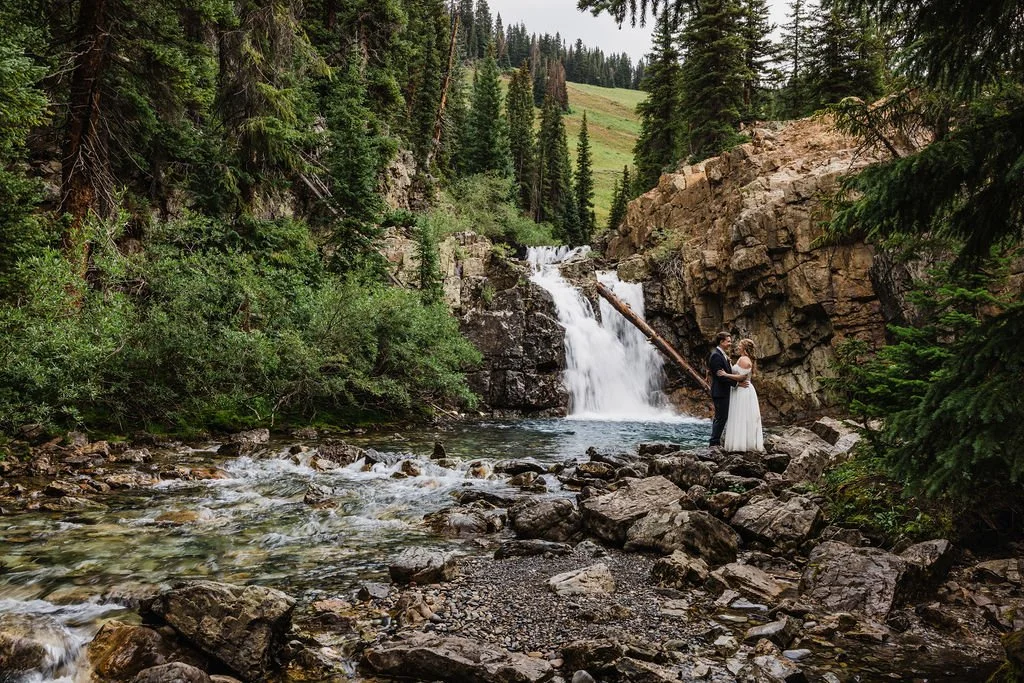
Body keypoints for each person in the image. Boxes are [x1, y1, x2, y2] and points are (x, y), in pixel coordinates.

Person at [719, 338, 765, 452]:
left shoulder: (744, 360)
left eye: (740, 346)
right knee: (741, 415)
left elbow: (742, 377)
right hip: (740, 389)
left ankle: (741, 445)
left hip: (743, 391)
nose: (738, 347)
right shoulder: (744, 358)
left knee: (741, 416)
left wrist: (726, 375)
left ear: (744, 348)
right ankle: (741, 443)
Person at [708, 331, 741, 447]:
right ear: (721, 342)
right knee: (720, 417)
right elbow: (720, 376)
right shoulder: (716, 355)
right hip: (720, 392)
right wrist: (737, 384)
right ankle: (714, 443)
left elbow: (725, 373)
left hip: (724, 392)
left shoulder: (722, 355)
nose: (730, 344)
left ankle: (716, 441)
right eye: (728, 341)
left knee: (722, 417)